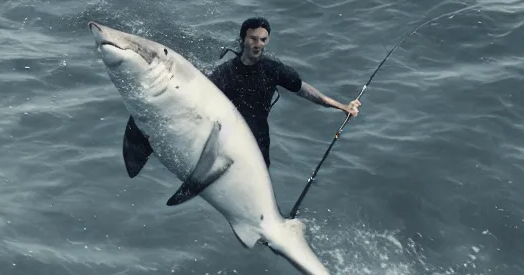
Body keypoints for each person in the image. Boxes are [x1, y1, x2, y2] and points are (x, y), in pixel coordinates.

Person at [120, 17, 361, 177]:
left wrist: (341, 107)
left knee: (261, 183)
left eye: (263, 39)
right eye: (253, 38)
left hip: (259, 139)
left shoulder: (273, 69)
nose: (258, 44)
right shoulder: (224, 74)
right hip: (229, 138)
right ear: (242, 40)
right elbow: (195, 102)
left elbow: (303, 89)